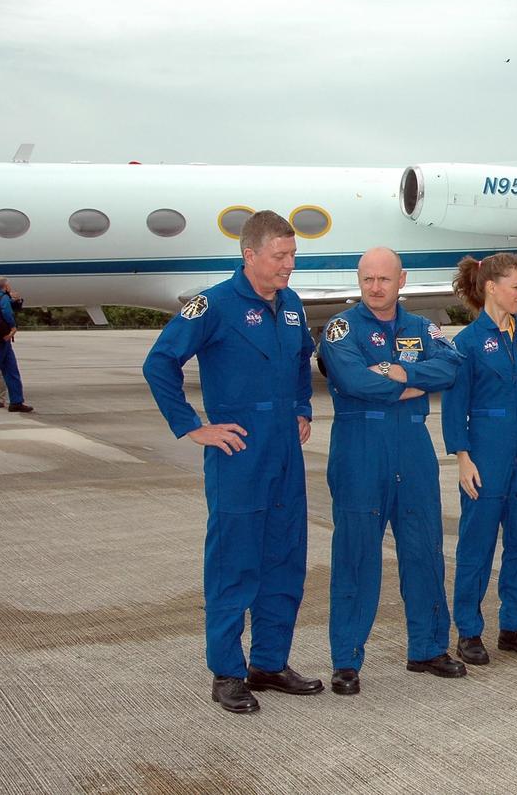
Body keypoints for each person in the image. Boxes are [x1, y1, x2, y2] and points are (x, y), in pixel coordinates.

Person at [142, 210, 322, 714]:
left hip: (285, 451)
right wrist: (192, 425)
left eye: (292, 256)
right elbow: (159, 362)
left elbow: (302, 361)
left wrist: (303, 409)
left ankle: (269, 663)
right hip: (238, 451)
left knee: (284, 559)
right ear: (251, 256)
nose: (289, 265)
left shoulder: (290, 306)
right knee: (234, 564)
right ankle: (227, 671)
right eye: (280, 256)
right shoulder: (213, 305)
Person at [321, 247, 468, 694]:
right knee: (356, 554)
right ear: (359, 281)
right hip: (359, 448)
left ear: (401, 280)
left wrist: (397, 373)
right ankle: (346, 661)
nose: (375, 287)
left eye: (384, 279)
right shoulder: (341, 327)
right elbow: (351, 380)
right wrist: (412, 382)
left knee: (423, 547)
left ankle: (427, 648)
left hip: (413, 448)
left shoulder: (422, 327)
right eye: (368, 279)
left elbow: (451, 366)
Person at [443, 253, 517, 664]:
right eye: (515, 286)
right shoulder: (467, 344)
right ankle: (469, 631)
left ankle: (513, 625)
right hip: (486, 454)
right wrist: (462, 456)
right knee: (476, 546)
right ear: (492, 287)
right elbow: (454, 407)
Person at [0, 277, 32, 413]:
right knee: (11, 370)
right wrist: (13, 327)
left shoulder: (4, 298)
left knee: (10, 368)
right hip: (3, 337)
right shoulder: (3, 298)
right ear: (5, 286)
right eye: (8, 285)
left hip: (2, 339)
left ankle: (17, 401)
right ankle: (16, 401)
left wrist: (16, 301)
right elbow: (6, 312)